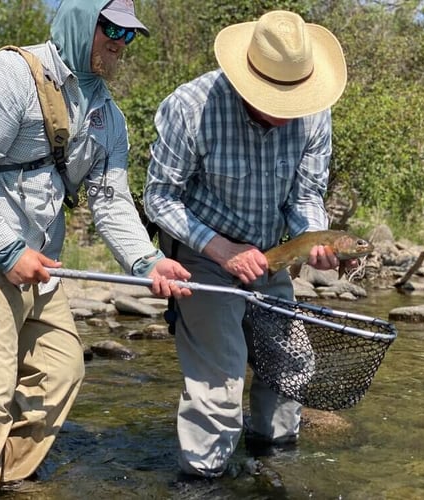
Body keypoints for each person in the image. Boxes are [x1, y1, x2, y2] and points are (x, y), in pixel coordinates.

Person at [0, 0, 191, 497]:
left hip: (32, 259)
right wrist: (5, 250)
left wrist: (148, 261)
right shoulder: (12, 75)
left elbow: (110, 203)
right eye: (110, 29)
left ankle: (3, 480)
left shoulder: (109, 118)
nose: (119, 43)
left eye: (129, 35)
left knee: (62, 367)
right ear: (81, 21)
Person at [144, 10, 348, 477]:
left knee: (292, 367)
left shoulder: (315, 111)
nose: (285, 110)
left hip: (272, 255)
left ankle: (270, 466)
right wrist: (221, 250)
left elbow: (305, 195)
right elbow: (159, 198)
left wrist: (313, 240)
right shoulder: (190, 107)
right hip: (203, 254)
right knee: (220, 384)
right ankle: (200, 481)